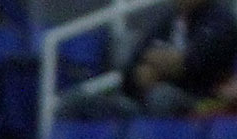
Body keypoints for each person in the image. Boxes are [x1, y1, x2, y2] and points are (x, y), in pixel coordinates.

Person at [62, 0, 237, 119]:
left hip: (197, 101)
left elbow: (195, 62)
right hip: (144, 98)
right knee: (80, 103)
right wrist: (145, 72)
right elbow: (134, 65)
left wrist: (160, 68)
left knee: (161, 97)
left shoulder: (221, 21)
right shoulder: (167, 21)